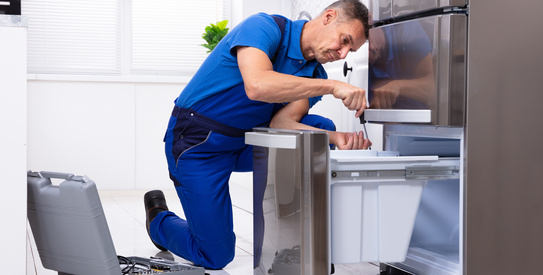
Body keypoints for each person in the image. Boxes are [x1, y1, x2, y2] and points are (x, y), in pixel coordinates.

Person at [144, 0, 371, 270]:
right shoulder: (265, 27)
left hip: (245, 142)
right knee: (215, 255)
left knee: (320, 133)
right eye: (344, 40)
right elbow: (257, 85)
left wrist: (337, 139)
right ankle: (158, 220)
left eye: (351, 49)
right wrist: (334, 85)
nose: (343, 53)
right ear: (329, 17)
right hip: (198, 144)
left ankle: (298, 242)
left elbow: (283, 121)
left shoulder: (313, 73)